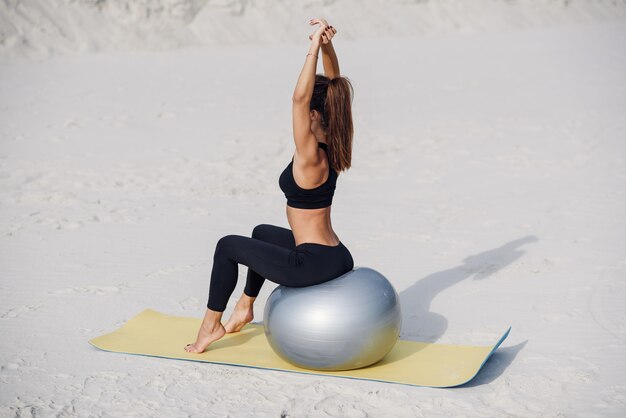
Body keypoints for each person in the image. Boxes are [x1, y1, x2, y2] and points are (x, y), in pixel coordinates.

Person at [185, 18, 355, 353]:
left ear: (315, 115)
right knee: (261, 232)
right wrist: (326, 45)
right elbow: (334, 85)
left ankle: (210, 326)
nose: (301, 114)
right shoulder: (335, 141)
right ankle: (245, 307)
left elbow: (297, 99)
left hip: (311, 264)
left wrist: (310, 50)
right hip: (336, 255)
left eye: (308, 111)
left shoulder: (309, 155)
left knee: (227, 246)